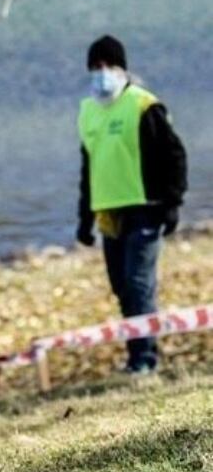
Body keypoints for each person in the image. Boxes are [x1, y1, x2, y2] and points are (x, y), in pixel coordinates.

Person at [76, 35, 188, 374]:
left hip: (146, 207)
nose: (102, 72)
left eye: (108, 65)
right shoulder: (88, 111)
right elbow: (88, 168)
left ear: (122, 68)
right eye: (95, 67)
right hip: (109, 212)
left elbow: (175, 156)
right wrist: (84, 220)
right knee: (122, 286)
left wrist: (171, 203)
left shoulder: (144, 105)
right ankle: (137, 353)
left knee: (139, 283)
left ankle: (144, 361)